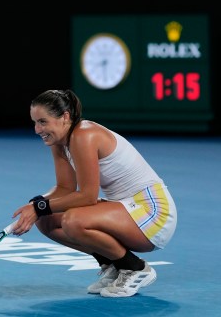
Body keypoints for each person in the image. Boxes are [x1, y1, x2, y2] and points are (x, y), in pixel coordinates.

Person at [11, 89, 177, 298]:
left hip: (152, 214)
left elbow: (87, 196)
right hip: (124, 209)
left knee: (73, 220)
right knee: (46, 221)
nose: (37, 129)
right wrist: (36, 204)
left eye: (43, 122)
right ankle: (112, 264)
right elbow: (65, 188)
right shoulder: (60, 141)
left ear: (65, 117)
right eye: (34, 122)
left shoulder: (84, 134)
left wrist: (39, 207)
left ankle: (134, 267)